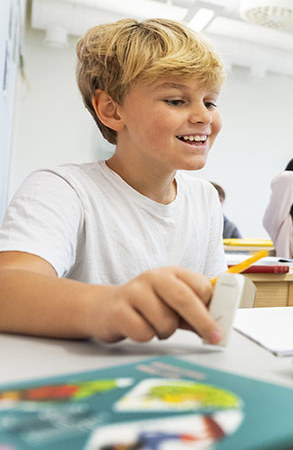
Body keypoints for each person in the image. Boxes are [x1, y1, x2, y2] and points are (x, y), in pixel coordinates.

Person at [0, 19, 226, 344]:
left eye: (210, 101)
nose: (204, 116)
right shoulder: (63, 189)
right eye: (176, 101)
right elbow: (7, 289)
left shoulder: (204, 198)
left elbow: (211, 307)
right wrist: (106, 305)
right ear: (111, 110)